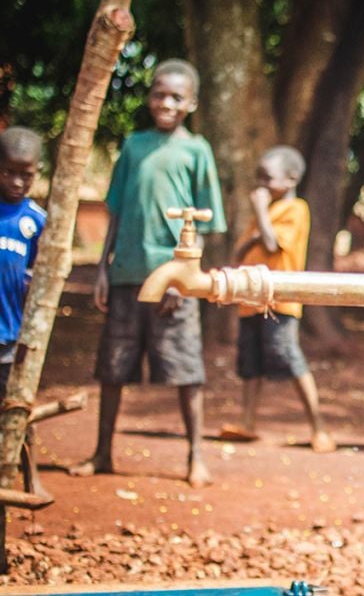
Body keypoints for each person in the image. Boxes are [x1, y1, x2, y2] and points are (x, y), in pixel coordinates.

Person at [70, 59, 226, 487]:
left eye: (177, 97)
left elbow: (205, 222)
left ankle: (196, 457)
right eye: (159, 94)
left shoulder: (197, 150)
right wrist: (103, 268)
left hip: (176, 277)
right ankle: (103, 452)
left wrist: (187, 278)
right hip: (126, 274)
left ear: (191, 103)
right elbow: (116, 211)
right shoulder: (134, 145)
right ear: (149, 96)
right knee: (113, 368)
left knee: (186, 368)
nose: (166, 103)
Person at [219, 146, 336, 454]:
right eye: (258, 177)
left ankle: (318, 427)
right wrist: (258, 228)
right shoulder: (266, 212)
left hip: (280, 299)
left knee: (287, 355)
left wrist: (259, 220)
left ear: (292, 179)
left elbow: (271, 244)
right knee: (250, 361)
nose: (260, 185)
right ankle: (247, 421)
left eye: (267, 178)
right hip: (251, 298)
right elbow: (239, 252)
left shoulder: (296, 208)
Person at [0, 127, 49, 501]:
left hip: (11, 332)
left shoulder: (37, 220)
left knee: (18, 406)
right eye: (8, 172)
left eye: (26, 174)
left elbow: (41, 276)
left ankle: (30, 473)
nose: (17, 181)